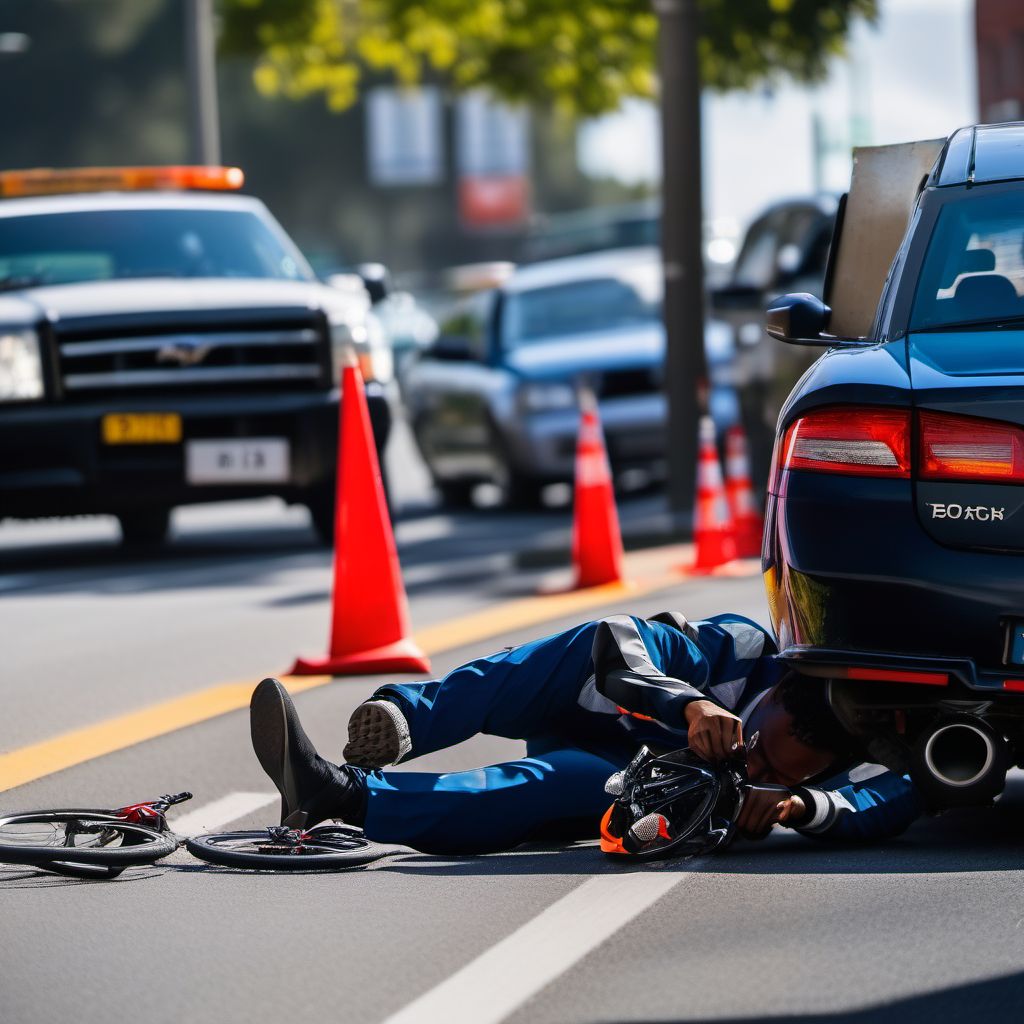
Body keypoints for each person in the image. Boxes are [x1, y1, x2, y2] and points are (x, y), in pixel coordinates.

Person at [249, 611, 924, 854]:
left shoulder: (840, 768)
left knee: (556, 783)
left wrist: (799, 804)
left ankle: (340, 795)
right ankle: (404, 719)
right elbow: (620, 644)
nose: (761, 770)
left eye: (784, 774)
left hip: (615, 777)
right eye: (765, 752)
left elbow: (895, 797)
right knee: (581, 645)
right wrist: (689, 707)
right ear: (773, 695)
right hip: (586, 701)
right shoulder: (741, 648)